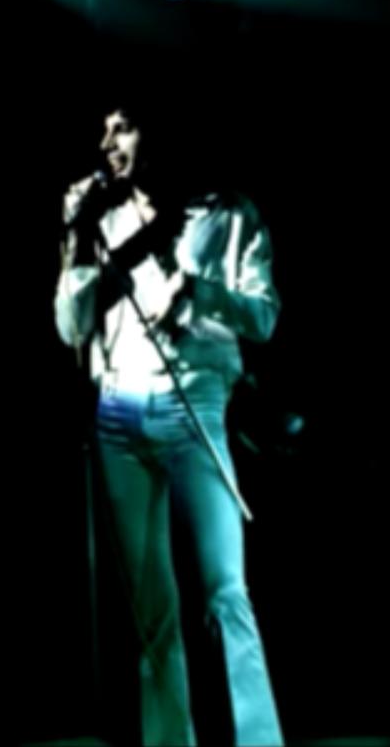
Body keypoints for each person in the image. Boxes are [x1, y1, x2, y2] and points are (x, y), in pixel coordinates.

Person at [54, 100, 284, 746]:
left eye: (122, 127)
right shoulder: (102, 219)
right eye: (103, 130)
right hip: (118, 416)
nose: (107, 142)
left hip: (193, 407)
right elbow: (71, 327)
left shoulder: (227, 214)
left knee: (224, 592)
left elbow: (264, 318)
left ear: (157, 130)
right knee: (152, 610)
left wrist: (196, 292)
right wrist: (76, 239)